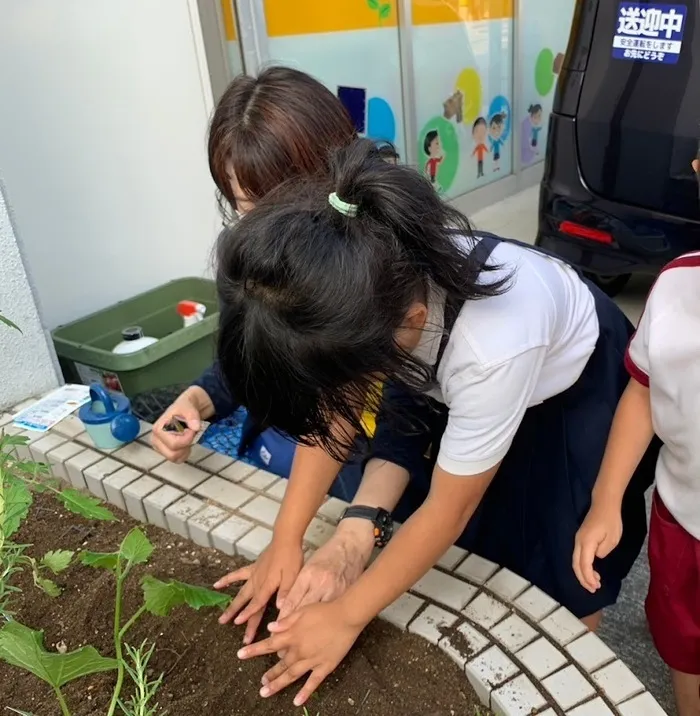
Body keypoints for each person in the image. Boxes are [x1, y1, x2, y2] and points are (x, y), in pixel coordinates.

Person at [213, 139, 656, 707]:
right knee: (478, 530)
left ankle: (567, 675)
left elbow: (450, 507)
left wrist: (346, 617)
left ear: (411, 326)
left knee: (562, 548)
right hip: (469, 370)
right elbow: (337, 408)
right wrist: (285, 539)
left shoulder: (491, 345)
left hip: (577, 395)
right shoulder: (366, 288)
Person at [151, 66, 356, 465]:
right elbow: (242, 365)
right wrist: (195, 400)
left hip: (362, 471)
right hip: (276, 447)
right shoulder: (241, 252)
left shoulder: (380, 268)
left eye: (281, 207)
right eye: (247, 209)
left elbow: (400, 418)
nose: (263, 231)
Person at [574, 253, 700, 716]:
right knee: (682, 638)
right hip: (683, 519)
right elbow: (644, 389)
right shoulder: (675, 283)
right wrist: (605, 501)